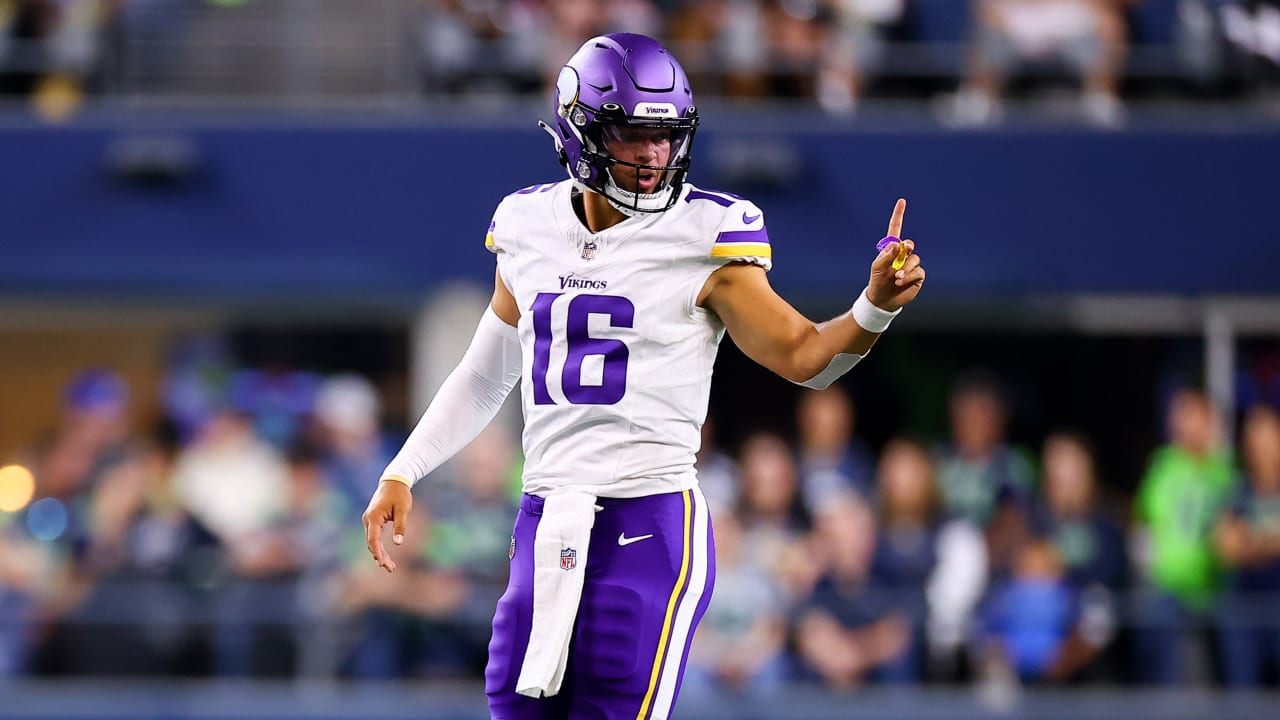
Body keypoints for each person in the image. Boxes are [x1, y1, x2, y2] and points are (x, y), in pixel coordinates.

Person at [361, 32, 926, 720]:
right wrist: (403, 470)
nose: (654, 154)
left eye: (666, 135)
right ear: (581, 129)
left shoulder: (705, 236)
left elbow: (805, 357)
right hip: (546, 516)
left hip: (648, 521)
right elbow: (488, 370)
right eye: (633, 133)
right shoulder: (528, 223)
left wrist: (873, 308)